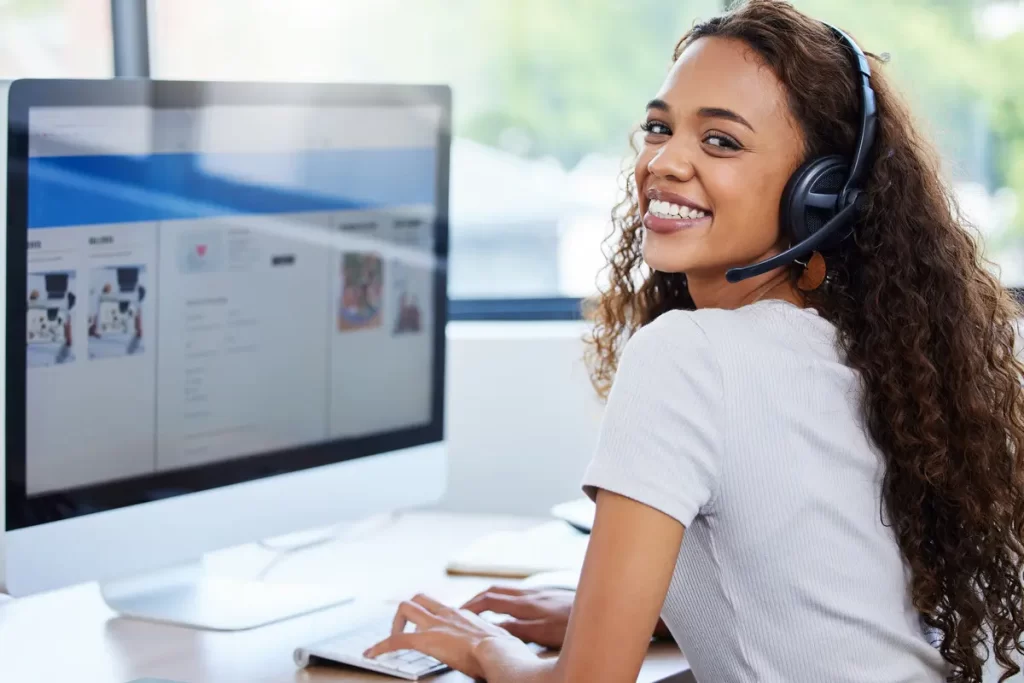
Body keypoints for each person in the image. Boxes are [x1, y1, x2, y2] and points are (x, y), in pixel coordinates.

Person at [364, 1, 1024, 681]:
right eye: (659, 127)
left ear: (819, 193)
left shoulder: (687, 354)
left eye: (721, 141)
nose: (665, 161)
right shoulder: (858, 350)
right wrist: (634, 609)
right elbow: (816, 583)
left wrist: (480, 645)